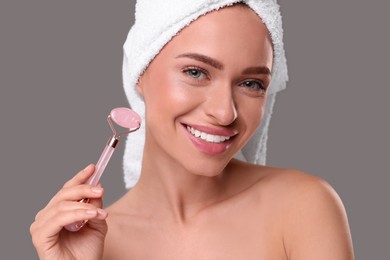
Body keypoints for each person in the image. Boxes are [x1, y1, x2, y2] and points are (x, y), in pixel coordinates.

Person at [30, 0, 354, 259]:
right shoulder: (93, 242)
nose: (225, 112)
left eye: (251, 83)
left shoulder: (301, 207)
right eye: (196, 72)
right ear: (141, 72)